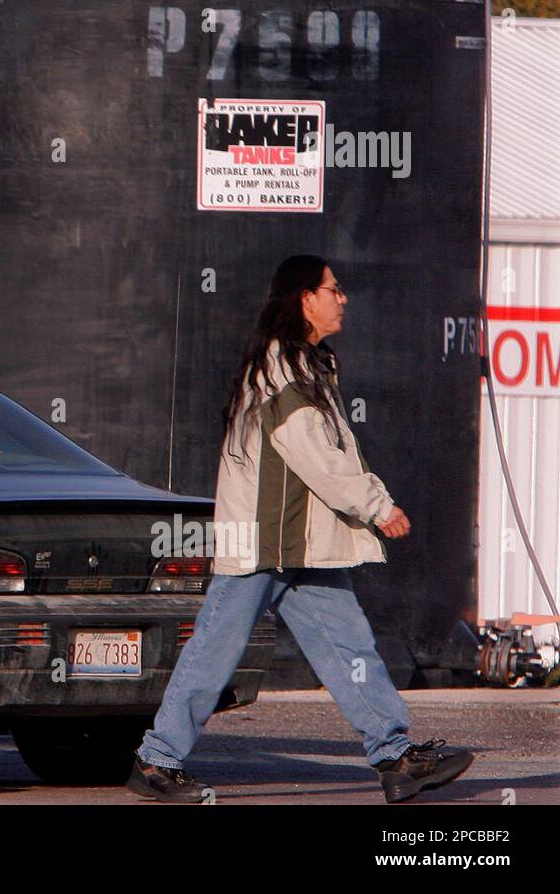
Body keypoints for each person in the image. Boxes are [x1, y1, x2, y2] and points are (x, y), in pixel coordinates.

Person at [127, 255, 474, 804]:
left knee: (349, 644)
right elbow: (314, 454)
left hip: (303, 542)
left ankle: (395, 755)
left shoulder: (308, 364)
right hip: (267, 540)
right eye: (333, 289)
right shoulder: (283, 368)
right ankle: (157, 760)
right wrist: (376, 506)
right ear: (305, 299)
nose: (343, 298)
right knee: (217, 647)